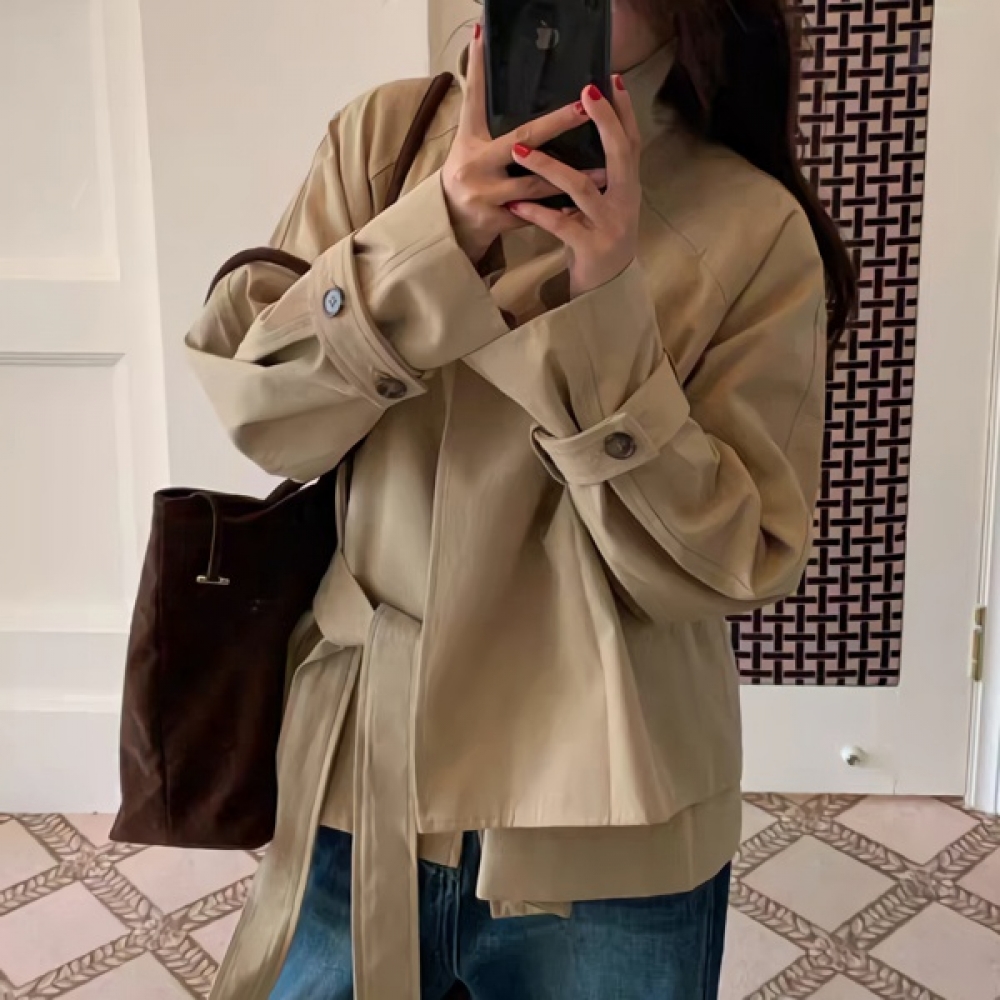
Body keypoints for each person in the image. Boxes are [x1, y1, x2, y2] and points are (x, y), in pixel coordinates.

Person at [187, 1, 856, 997]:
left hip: (609, 825)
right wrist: (435, 234)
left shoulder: (752, 224)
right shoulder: (383, 141)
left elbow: (731, 563)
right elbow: (265, 415)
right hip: (364, 779)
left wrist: (604, 310)